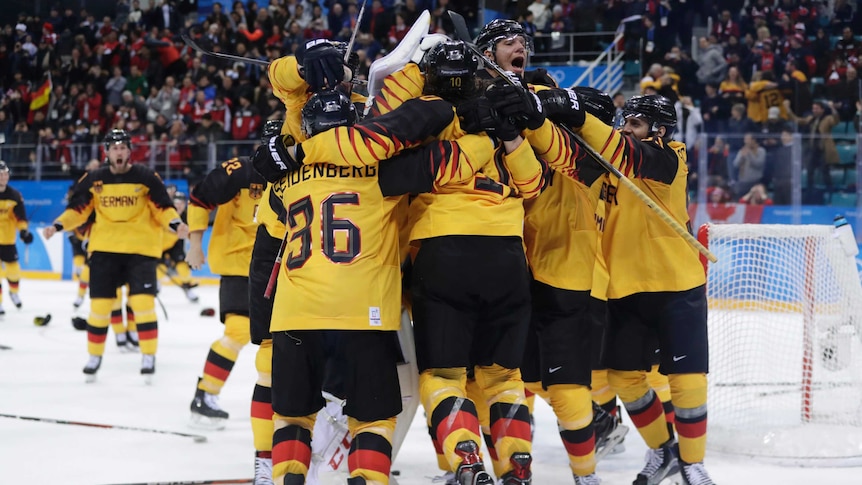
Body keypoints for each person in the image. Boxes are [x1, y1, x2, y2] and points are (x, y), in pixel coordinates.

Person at [258, 41, 544, 485]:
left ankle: (281, 478)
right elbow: (461, 160)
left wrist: (289, 153)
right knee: (379, 419)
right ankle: (510, 455)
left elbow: (278, 207)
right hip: (369, 311)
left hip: (296, 312)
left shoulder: (284, 182)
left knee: (292, 416)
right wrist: (495, 134)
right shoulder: (384, 172)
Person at [547, 94, 714, 484]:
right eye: (624, 122)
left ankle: (693, 465)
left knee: (687, 380)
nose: (625, 128)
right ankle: (664, 451)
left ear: (658, 129)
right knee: (624, 379)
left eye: (635, 123)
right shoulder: (607, 166)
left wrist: (577, 112)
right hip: (623, 291)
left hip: (677, 286)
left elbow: (626, 152)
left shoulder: (671, 158)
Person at [42, 129, 189, 382]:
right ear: (106, 152)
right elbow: (77, 210)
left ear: (129, 151)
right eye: (114, 148)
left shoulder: (146, 177)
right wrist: (57, 226)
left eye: (123, 147)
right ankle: (94, 357)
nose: (119, 152)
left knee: (143, 305)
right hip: (104, 250)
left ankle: (148, 356)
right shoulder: (94, 179)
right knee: (99, 307)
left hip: (140, 250)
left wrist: (176, 225)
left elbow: (163, 208)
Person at [185, 148, 266, 429]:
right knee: (238, 331)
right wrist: (195, 244)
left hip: (278, 268)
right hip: (238, 264)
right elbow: (198, 198)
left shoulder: (299, 169)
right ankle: (206, 393)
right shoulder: (239, 171)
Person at [0, 160, 33, 314]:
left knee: (14, 273)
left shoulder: (14, 196)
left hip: (7, 241)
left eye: (5, 174)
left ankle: (14, 292)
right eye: (0, 175)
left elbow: (21, 218)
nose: (3, 177)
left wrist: (24, 232)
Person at [159, 190, 198, 302]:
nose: (179, 205)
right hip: (160, 245)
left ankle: (188, 288)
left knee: (183, 268)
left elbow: (192, 235)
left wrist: (194, 251)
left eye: (181, 202)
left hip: (176, 245)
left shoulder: (187, 217)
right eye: (176, 202)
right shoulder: (166, 213)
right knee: (159, 271)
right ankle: (156, 285)